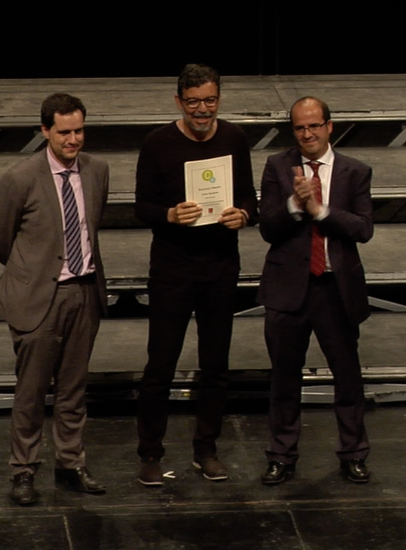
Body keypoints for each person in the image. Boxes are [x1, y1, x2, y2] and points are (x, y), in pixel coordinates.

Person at [134, 64, 258, 485]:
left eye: (209, 100)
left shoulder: (235, 138)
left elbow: (249, 197)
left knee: (215, 366)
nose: (202, 110)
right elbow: (141, 206)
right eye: (193, 102)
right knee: (160, 366)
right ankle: (151, 453)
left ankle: (206, 449)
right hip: (172, 269)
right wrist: (169, 215)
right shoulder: (157, 143)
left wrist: (243, 214)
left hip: (220, 267)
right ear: (178, 102)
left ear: (219, 99)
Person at [0, 93, 109, 504]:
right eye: (64, 132)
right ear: (45, 131)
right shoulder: (20, 177)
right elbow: (1, 239)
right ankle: (23, 471)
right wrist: (34, 274)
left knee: (74, 389)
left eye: (78, 131)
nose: (73, 139)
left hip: (85, 292)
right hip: (38, 297)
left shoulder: (97, 171)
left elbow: (93, 223)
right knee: (31, 391)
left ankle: (70, 463)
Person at [257, 96, 373, 485]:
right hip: (289, 288)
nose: (307, 133)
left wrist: (320, 210)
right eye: (299, 127)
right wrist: (295, 202)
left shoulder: (355, 172)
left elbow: (363, 229)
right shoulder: (277, 166)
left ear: (329, 126)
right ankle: (281, 455)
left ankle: (354, 453)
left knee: (347, 376)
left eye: (314, 126)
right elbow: (268, 229)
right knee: (284, 378)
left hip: (336, 290)